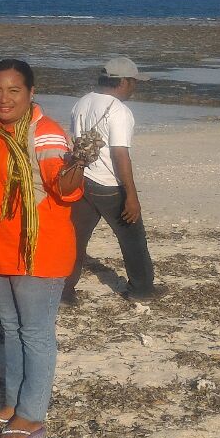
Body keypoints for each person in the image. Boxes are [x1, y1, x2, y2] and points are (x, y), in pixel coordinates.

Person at [0, 59, 83, 438]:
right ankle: (12, 402)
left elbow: (64, 189)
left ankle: (32, 413)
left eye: (14, 90)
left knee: (36, 334)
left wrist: (76, 165)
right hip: (0, 249)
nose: (4, 99)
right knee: (11, 330)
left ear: (31, 93)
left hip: (38, 251)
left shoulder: (45, 135)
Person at [65, 56, 157, 303]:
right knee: (132, 238)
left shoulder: (81, 102)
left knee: (75, 238)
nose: (135, 88)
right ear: (123, 82)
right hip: (109, 185)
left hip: (81, 180)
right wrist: (131, 196)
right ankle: (142, 290)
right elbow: (119, 154)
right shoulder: (119, 111)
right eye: (134, 82)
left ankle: (64, 290)